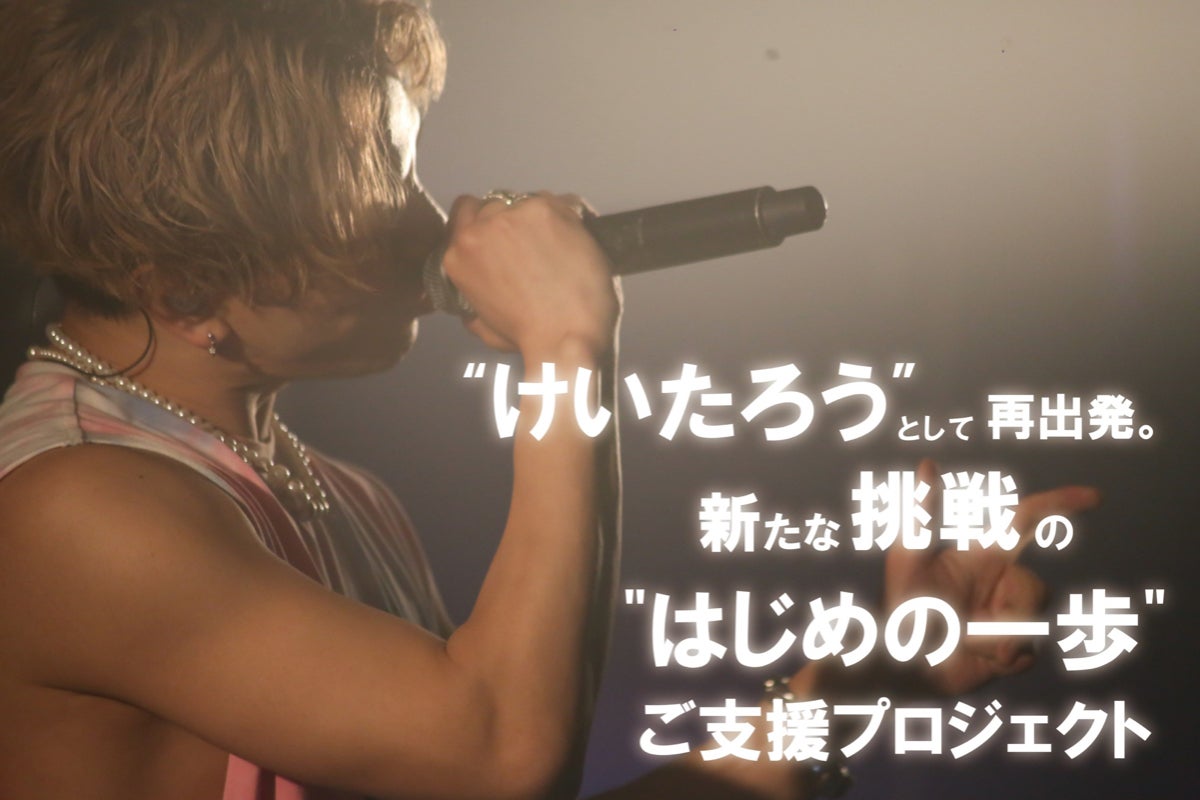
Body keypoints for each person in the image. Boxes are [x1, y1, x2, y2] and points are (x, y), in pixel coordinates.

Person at [0, 2, 1098, 798]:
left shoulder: (330, 488)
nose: (430, 220)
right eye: (376, 185)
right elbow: (504, 757)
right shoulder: (76, 511)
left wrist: (885, 670)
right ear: (187, 288)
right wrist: (566, 346)